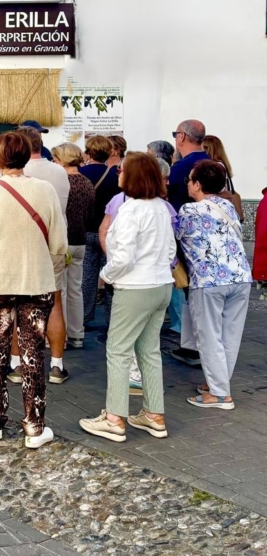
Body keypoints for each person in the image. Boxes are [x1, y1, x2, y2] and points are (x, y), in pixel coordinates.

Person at [0, 131, 68, 448]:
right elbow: (59, 243)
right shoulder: (45, 190)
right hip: (36, 281)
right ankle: (35, 426)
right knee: (33, 353)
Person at [79, 153, 176, 442]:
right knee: (149, 350)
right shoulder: (161, 207)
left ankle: (114, 419)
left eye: (122, 170)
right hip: (161, 284)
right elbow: (171, 250)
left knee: (118, 351)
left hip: (134, 287)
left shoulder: (130, 209)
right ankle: (154, 414)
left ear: (132, 176)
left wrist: (105, 275)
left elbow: (122, 257)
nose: (118, 173)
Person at [177, 159, 252, 409]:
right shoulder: (227, 206)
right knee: (230, 336)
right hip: (240, 276)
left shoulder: (189, 210)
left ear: (198, 184)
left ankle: (220, 395)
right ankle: (218, 385)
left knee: (209, 336)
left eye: (189, 180)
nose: (188, 184)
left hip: (208, 279)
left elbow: (177, 238)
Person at [17, 126, 70, 382]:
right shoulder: (59, 171)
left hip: (21, 245)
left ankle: (18, 364)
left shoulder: (15, 172)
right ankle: (57, 365)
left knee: (18, 304)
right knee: (55, 302)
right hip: (54, 242)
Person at [166, 120, 211, 366]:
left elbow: (171, 200)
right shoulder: (214, 162)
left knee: (188, 290)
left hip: (186, 237)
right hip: (210, 239)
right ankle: (191, 343)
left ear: (182, 136)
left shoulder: (182, 167)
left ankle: (193, 345)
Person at [52, 143, 95, 349]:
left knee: (60, 290)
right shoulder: (87, 182)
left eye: (55, 159)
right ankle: (77, 334)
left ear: (62, 159)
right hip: (81, 240)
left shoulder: (62, 183)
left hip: (64, 240)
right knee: (75, 289)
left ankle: (62, 336)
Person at [80, 135, 121, 326]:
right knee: (111, 277)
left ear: (89, 152)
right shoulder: (115, 176)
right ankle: (112, 319)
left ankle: (84, 317)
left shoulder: (80, 174)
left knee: (87, 278)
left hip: (87, 230)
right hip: (110, 232)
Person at [167, 120, 210, 211]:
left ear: (182, 136)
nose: (175, 139)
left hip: (183, 214)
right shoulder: (210, 161)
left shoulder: (180, 167)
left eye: (175, 135)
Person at [203, 135, 243, 222]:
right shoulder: (222, 164)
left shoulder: (216, 166)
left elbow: (216, 189)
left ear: (208, 149)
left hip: (217, 208)